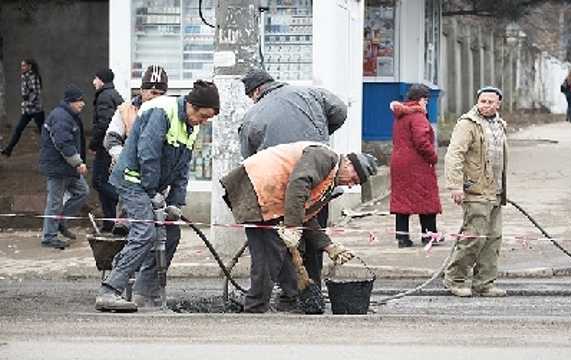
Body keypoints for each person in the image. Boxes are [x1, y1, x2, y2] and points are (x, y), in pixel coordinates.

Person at [95, 80, 220, 312]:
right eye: (202, 116)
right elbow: (147, 154)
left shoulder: (190, 128)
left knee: (170, 233)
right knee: (145, 232)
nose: (203, 122)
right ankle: (109, 291)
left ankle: (144, 292)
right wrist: (153, 192)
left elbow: (183, 169)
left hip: (149, 187)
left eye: (207, 119)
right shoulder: (162, 111)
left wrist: (175, 203)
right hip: (132, 180)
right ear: (191, 105)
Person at [220, 141, 377, 313]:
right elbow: (298, 184)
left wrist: (328, 246)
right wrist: (292, 227)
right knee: (269, 252)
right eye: (354, 179)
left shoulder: (329, 181)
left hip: (270, 196)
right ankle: (255, 307)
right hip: (255, 187)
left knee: (285, 253)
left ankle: (293, 299)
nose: (349, 185)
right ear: (348, 163)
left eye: (354, 184)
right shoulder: (325, 157)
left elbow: (307, 216)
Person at [239, 68, 348, 286]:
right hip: (320, 181)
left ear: (257, 90)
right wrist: (322, 135)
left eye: (251, 96)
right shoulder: (311, 93)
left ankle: (294, 293)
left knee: (286, 241)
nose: (252, 100)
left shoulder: (253, 115)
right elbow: (340, 110)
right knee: (312, 231)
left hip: (281, 190)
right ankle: (313, 287)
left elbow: (250, 157)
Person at [443, 86, 508, 298]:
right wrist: (455, 185)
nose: (486, 105)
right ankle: (455, 279)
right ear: (477, 102)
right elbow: (454, 154)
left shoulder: (499, 124)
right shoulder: (467, 124)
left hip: (495, 192)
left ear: (498, 104)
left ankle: (484, 283)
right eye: (483, 101)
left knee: (493, 238)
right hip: (476, 191)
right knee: (473, 237)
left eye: (491, 102)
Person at [103, 64, 169, 235]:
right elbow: (111, 138)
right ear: (142, 90)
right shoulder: (125, 110)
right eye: (152, 93)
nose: (156, 98)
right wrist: (124, 159)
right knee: (125, 227)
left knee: (155, 228)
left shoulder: (170, 111)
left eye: (161, 94)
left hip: (157, 177)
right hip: (128, 178)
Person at [388, 84, 442, 248]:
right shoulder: (418, 116)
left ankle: (402, 238)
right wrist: (433, 156)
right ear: (421, 99)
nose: (426, 103)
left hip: (399, 162)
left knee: (402, 200)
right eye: (426, 100)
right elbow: (421, 141)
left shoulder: (401, 115)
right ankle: (429, 235)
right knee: (426, 198)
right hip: (417, 164)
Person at [38, 85, 89, 249]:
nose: (83, 104)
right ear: (71, 102)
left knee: (82, 192)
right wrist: (77, 162)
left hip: (66, 167)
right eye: (79, 100)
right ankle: (49, 237)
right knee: (54, 202)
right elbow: (63, 142)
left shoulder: (69, 115)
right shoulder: (61, 117)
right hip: (58, 167)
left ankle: (60, 221)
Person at [90, 68, 124, 232]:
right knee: (105, 183)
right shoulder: (114, 94)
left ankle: (126, 201)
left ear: (101, 80)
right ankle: (109, 223)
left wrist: (94, 144)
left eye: (95, 79)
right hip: (112, 146)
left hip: (105, 147)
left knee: (98, 182)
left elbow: (103, 125)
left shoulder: (104, 96)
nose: (93, 82)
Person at [1, 59, 45, 157]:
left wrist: (27, 102)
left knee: (43, 132)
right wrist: (26, 102)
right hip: (27, 110)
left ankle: (53, 152)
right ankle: (8, 150)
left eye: (24, 66)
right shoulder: (24, 76)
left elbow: (36, 93)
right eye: (22, 66)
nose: (22, 68)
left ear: (30, 66)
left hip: (36, 109)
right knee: (18, 129)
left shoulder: (33, 76)